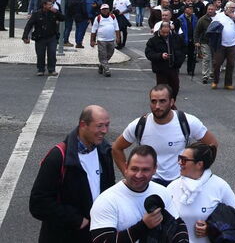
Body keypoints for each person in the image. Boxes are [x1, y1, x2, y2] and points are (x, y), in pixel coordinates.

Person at [29, 105, 115, 243]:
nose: (104, 131)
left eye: (107, 125)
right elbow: (38, 204)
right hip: (64, 235)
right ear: (83, 125)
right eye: (99, 126)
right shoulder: (58, 157)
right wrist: (75, 219)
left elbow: (108, 189)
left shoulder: (104, 151)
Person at [112, 84, 218, 187]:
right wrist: (127, 174)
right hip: (150, 183)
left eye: (162, 101)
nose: (157, 106)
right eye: (154, 101)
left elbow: (212, 144)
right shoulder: (139, 125)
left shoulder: (188, 122)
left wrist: (199, 171)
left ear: (172, 102)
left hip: (180, 182)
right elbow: (116, 148)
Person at [88, 145, 182, 243]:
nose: (138, 175)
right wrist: (143, 226)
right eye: (134, 169)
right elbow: (102, 241)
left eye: (145, 170)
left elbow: (178, 227)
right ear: (126, 167)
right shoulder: (106, 200)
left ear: (155, 170)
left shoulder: (163, 192)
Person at [167, 142, 235, 243]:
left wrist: (212, 229)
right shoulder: (172, 187)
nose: (179, 162)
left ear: (199, 164)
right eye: (179, 158)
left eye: (184, 160)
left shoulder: (220, 186)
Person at [22, 0, 65, 76]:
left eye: (51, 4)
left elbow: (63, 18)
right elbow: (29, 25)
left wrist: (56, 12)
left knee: (52, 53)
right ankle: (41, 69)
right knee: (40, 54)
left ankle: (51, 69)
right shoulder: (37, 14)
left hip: (52, 37)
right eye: (49, 5)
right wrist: (25, 36)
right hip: (40, 37)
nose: (51, 6)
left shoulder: (54, 12)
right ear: (44, 5)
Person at [145, 21, 187, 99]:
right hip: (161, 69)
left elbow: (184, 50)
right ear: (160, 30)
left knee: (175, 87)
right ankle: (166, 106)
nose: (165, 35)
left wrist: (179, 61)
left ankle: (171, 103)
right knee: (162, 91)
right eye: (163, 33)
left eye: (167, 33)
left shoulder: (176, 38)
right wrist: (160, 56)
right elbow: (149, 53)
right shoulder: (153, 40)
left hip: (174, 67)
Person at [210, 2, 235, 90]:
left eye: (234, 8)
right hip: (221, 44)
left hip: (232, 44)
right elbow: (212, 28)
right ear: (226, 8)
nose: (233, 9)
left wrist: (234, 18)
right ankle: (215, 81)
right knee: (217, 64)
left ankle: (228, 83)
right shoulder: (219, 16)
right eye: (231, 7)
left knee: (231, 64)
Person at [90, 4, 120, 77]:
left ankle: (101, 64)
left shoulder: (113, 17)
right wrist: (92, 40)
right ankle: (107, 69)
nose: (105, 10)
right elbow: (93, 30)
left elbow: (117, 28)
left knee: (110, 53)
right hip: (101, 40)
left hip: (111, 39)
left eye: (106, 9)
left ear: (109, 9)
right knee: (103, 54)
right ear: (101, 10)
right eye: (103, 9)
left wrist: (118, 38)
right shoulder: (98, 18)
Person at [194, 4, 217, 85]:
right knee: (206, 58)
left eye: (212, 9)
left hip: (216, 42)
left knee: (215, 59)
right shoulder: (203, 19)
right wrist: (196, 41)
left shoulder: (219, 18)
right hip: (205, 41)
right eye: (209, 9)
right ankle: (205, 75)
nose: (210, 11)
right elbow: (197, 31)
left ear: (215, 9)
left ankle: (213, 73)